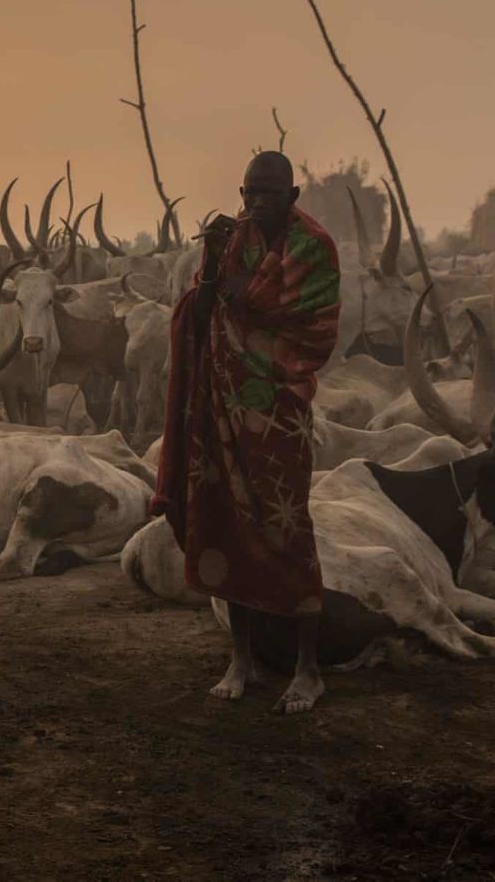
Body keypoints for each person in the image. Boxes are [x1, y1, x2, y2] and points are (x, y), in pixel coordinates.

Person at [152, 151, 341, 714]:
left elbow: (303, 322)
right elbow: (204, 307)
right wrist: (211, 261)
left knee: (288, 529)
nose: (257, 202)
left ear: (293, 195)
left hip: (278, 407)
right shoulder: (230, 240)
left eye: (269, 193)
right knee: (224, 521)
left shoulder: (312, 247)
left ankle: (309, 669)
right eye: (250, 193)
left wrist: (233, 286)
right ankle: (242, 659)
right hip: (221, 401)